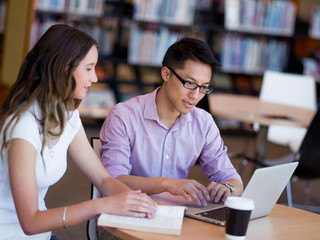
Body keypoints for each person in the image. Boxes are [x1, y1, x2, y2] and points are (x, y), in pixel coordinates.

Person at [0, 24, 157, 240]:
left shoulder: (67, 113)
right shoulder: (23, 126)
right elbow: (30, 221)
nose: (95, 78)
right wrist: (102, 204)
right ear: (64, 67)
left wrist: (136, 200)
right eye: (89, 68)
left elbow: (102, 179)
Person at [100, 37, 243, 207]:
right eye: (190, 83)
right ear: (166, 74)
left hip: (176, 217)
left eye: (204, 87)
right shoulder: (123, 116)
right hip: (126, 214)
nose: (196, 96)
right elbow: (113, 180)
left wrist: (227, 187)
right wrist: (165, 184)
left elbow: (233, 179)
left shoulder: (203, 123)